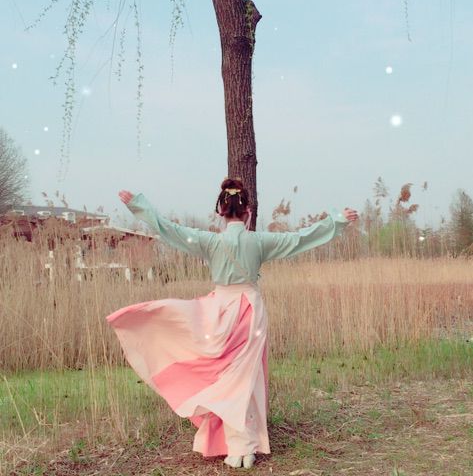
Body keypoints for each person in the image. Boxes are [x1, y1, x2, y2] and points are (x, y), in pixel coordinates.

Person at [106, 178, 358, 469]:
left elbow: (168, 229)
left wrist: (138, 205)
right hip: (250, 313)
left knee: (225, 378)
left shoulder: (209, 241)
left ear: (220, 212)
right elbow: (300, 239)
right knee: (246, 378)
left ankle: (237, 445)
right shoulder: (259, 242)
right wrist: (337, 221)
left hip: (218, 313)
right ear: (248, 211)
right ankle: (244, 446)